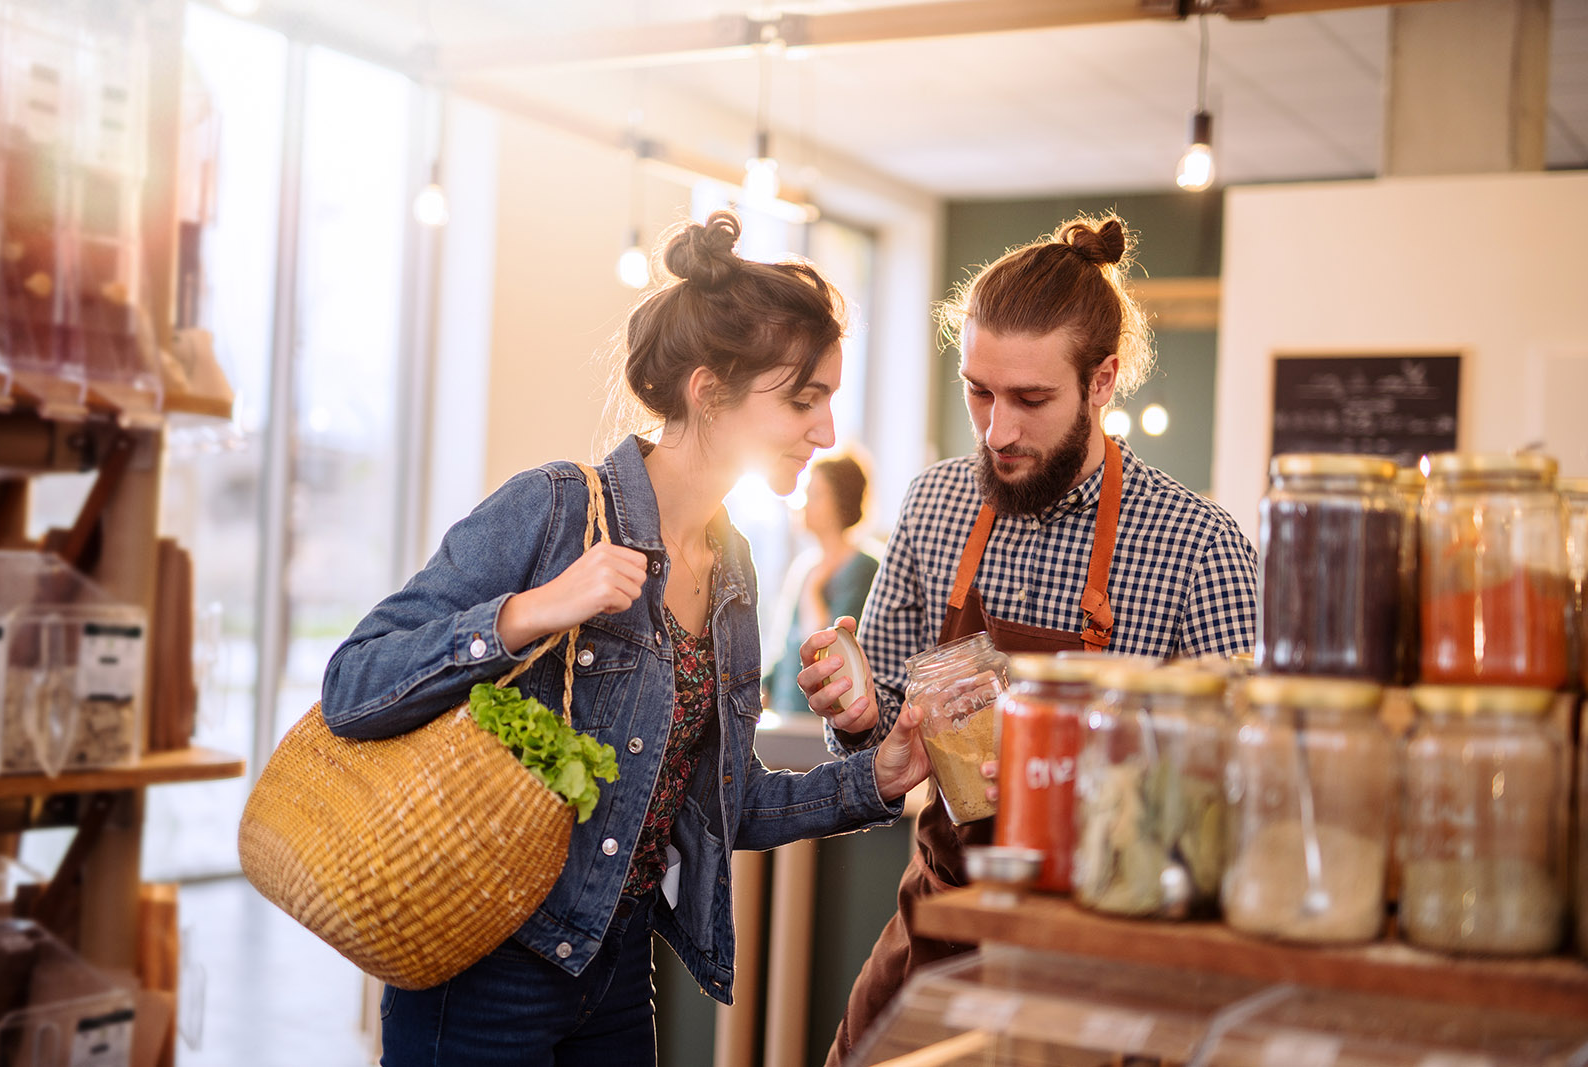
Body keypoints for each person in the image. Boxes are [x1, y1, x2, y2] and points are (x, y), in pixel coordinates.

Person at [320, 210, 934, 1067]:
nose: (827, 431)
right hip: (482, 973)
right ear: (708, 389)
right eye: (804, 398)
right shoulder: (554, 509)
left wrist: (878, 776)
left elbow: (726, 803)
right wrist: (527, 613)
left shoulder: (734, 569)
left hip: (612, 972)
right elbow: (351, 684)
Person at [796, 214, 1260, 1066]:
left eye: (1032, 399)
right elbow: (890, 725)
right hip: (947, 925)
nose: (997, 431)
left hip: (1111, 956)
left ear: (1103, 379)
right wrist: (862, 712)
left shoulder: (1199, 545)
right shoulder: (937, 506)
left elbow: (1242, 787)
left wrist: (1094, 763)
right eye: (980, 390)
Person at [763, 452, 882, 711]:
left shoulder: (863, 569)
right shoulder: (805, 567)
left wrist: (814, 591)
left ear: (841, 503)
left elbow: (826, 652)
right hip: (787, 717)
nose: (803, 503)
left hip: (823, 721)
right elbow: (786, 650)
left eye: (815, 494)